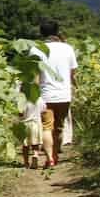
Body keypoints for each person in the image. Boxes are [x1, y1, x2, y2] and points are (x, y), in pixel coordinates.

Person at [34, 19, 78, 167]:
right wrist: (75, 87)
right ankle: (55, 153)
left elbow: (34, 75)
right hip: (64, 95)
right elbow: (73, 73)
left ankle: (49, 158)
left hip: (45, 95)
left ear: (41, 33)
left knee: (46, 127)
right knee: (59, 127)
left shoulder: (36, 49)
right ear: (57, 32)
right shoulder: (68, 49)